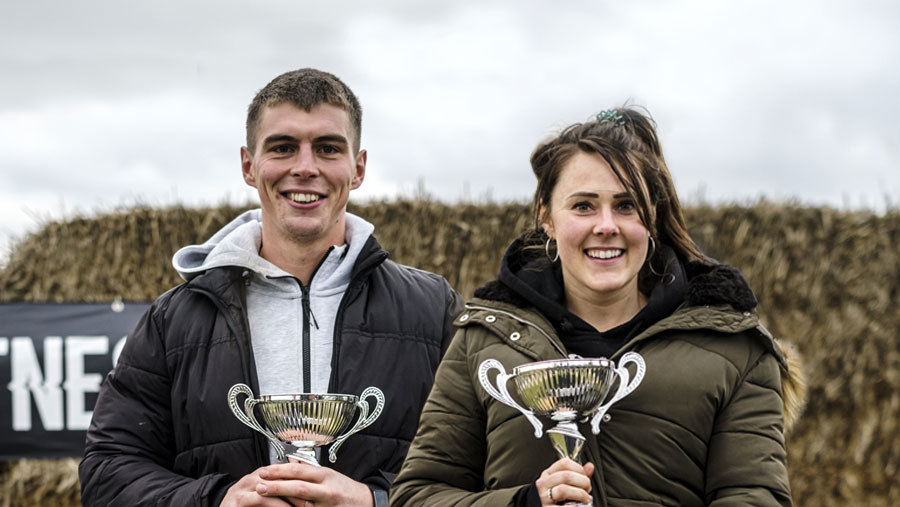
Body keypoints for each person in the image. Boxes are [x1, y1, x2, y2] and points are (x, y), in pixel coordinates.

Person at [78, 68, 462, 507]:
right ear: (249, 165)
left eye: (327, 148)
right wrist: (218, 501)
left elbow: (486, 466)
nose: (305, 167)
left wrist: (375, 500)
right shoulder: (174, 320)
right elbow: (108, 470)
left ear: (357, 168)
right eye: (282, 148)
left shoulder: (432, 309)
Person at [390, 107, 807, 506]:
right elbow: (418, 495)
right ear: (547, 219)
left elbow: (755, 498)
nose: (606, 226)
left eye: (626, 206)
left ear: (653, 218)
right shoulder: (481, 344)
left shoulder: (734, 350)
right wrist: (524, 503)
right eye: (583, 206)